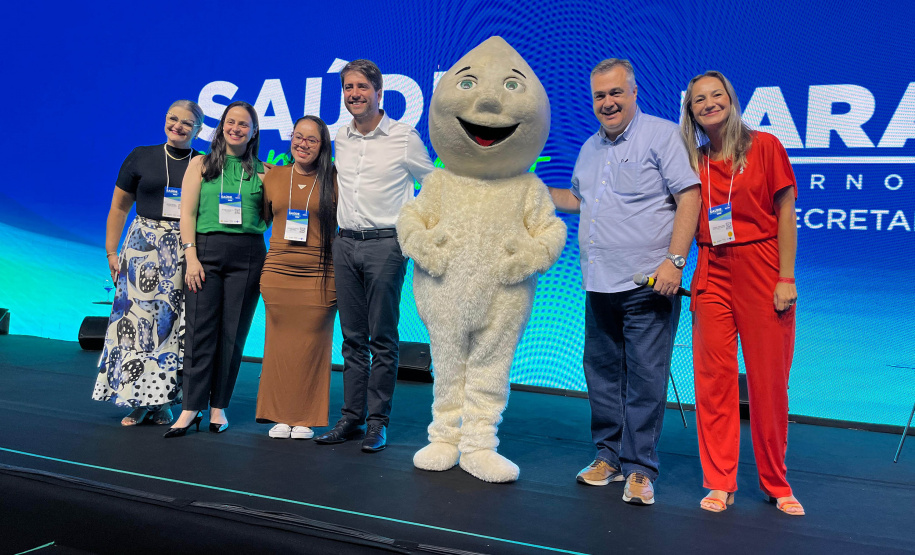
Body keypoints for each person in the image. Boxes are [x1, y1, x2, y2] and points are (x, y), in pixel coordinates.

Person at [549, 59, 700, 505]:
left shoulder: (662, 135)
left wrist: (675, 262)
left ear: (634, 93)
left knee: (646, 379)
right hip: (598, 284)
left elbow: (688, 195)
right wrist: (525, 189)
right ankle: (608, 458)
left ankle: (640, 469)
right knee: (601, 375)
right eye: (600, 96)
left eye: (616, 93)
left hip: (649, 284)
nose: (608, 102)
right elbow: (577, 200)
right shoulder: (590, 148)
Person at [681, 71, 803, 516]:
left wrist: (785, 277)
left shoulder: (765, 147)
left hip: (763, 268)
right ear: (690, 111)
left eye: (716, 95)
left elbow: (786, 214)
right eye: (699, 100)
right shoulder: (693, 160)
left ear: (731, 100)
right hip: (711, 269)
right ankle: (719, 481)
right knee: (713, 382)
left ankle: (776, 482)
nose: (709, 104)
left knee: (769, 384)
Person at [314, 59, 435, 452]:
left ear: (379, 91)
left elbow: (432, 186)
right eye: (348, 88)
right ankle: (351, 417)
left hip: (387, 244)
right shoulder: (340, 138)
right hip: (345, 243)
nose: (354, 94)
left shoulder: (403, 137)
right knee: (352, 339)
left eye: (361, 87)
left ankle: (378, 422)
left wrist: (417, 235)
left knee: (382, 338)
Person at [92, 100, 204, 427]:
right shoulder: (141, 155)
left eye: (187, 122)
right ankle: (136, 401)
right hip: (141, 249)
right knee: (136, 325)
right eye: (173, 119)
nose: (178, 126)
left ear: (198, 129)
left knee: (171, 328)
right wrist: (112, 253)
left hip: (181, 249)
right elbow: (118, 208)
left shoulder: (204, 162)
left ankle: (165, 400)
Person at [165, 101, 268, 438]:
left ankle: (219, 407)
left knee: (233, 333)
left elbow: (268, 217)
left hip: (248, 255)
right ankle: (190, 408)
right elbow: (187, 214)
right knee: (199, 331)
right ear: (222, 125)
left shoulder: (264, 171)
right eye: (230, 122)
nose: (236, 128)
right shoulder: (200, 164)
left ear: (253, 132)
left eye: (244, 124)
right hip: (204, 252)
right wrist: (191, 256)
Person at [256, 116, 337, 439]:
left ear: (323, 146)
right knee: (278, 346)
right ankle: (279, 414)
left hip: (320, 274)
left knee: (313, 346)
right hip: (278, 272)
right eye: (298, 137)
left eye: (311, 140)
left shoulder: (336, 180)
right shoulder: (273, 177)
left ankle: (305, 416)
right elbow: (261, 220)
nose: (303, 144)